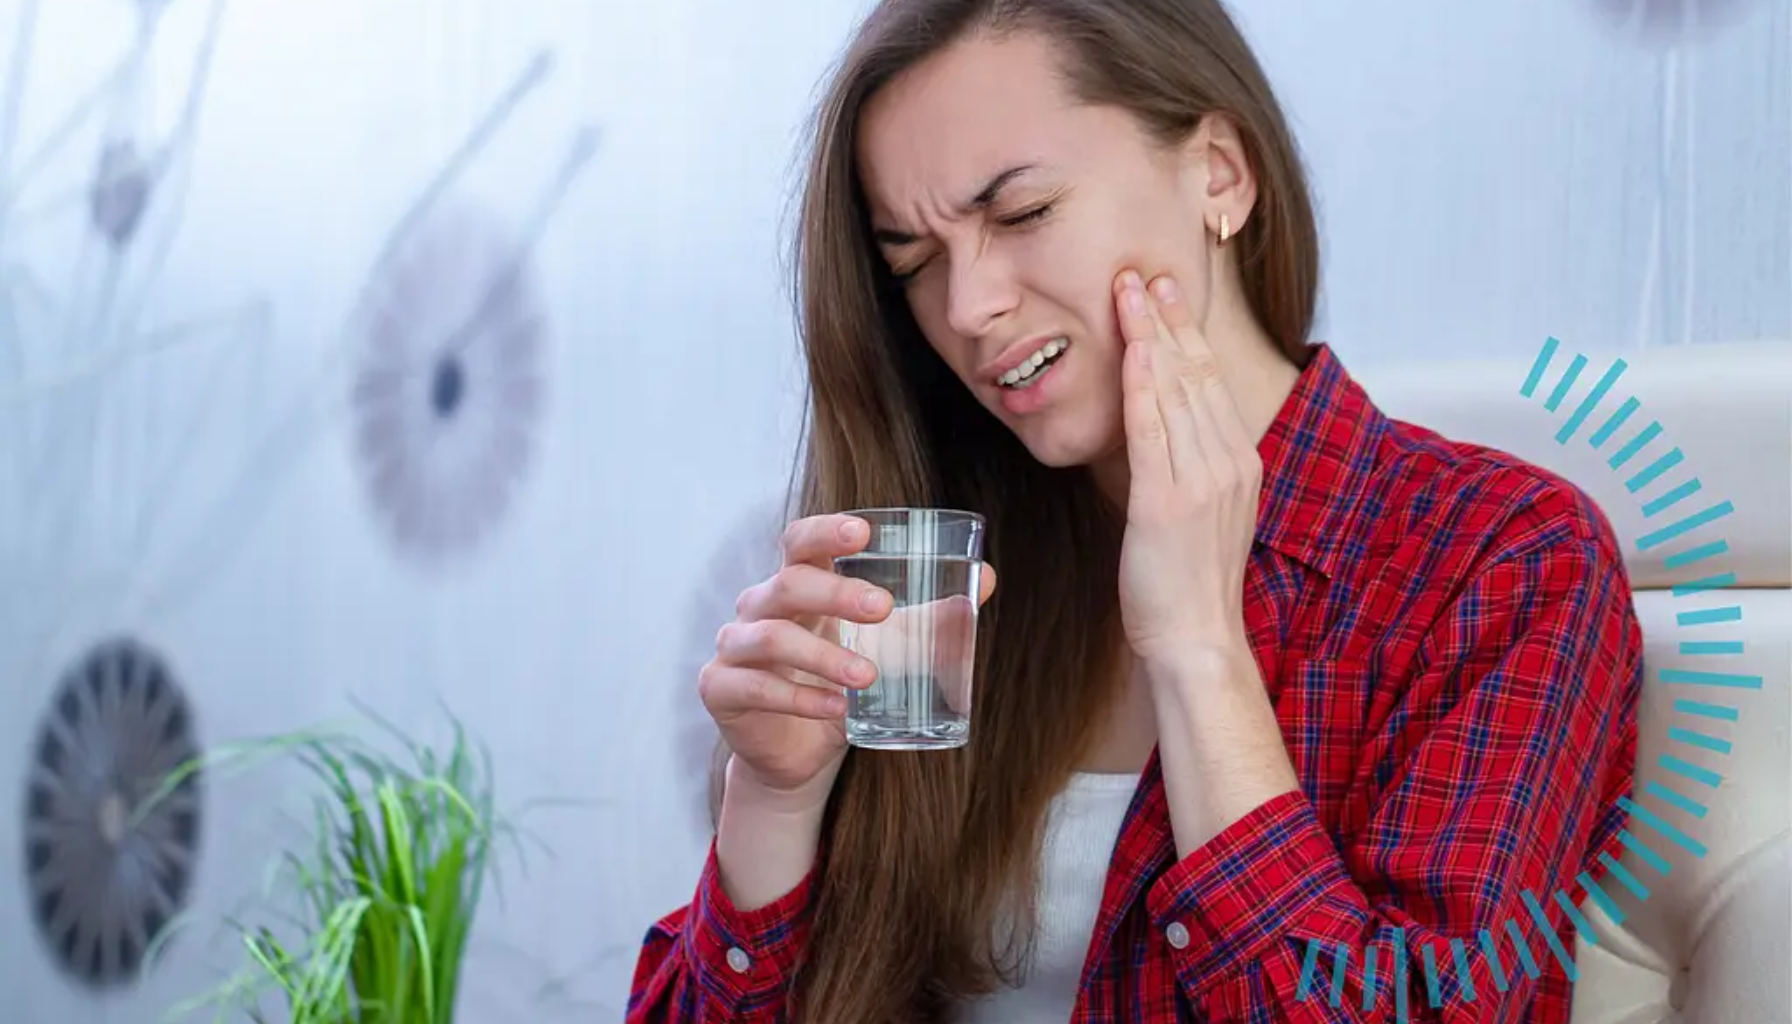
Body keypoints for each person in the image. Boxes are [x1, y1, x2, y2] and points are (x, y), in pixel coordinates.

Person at [628, 0, 1643, 1020]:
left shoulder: (1498, 563)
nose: (967, 304)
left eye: (1021, 213)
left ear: (1218, 174)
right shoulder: (946, 577)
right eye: (913, 262)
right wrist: (773, 802)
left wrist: (1200, 649)